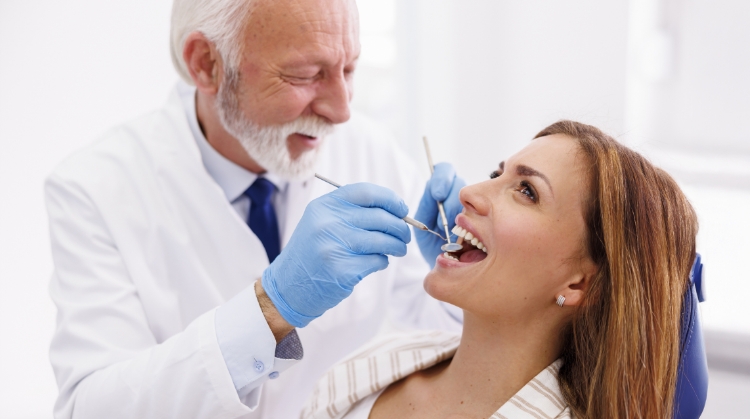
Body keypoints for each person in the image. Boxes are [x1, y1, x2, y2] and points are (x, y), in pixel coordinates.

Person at [45, 0, 465, 418]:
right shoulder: (93, 188)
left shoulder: (369, 150)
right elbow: (90, 407)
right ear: (206, 63)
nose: (340, 111)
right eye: (305, 75)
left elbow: (447, 339)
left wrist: (461, 274)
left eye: (349, 69)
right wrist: (270, 309)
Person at [302, 120, 699, 419]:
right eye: (497, 174)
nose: (468, 193)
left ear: (579, 282)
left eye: (526, 191)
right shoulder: (375, 363)